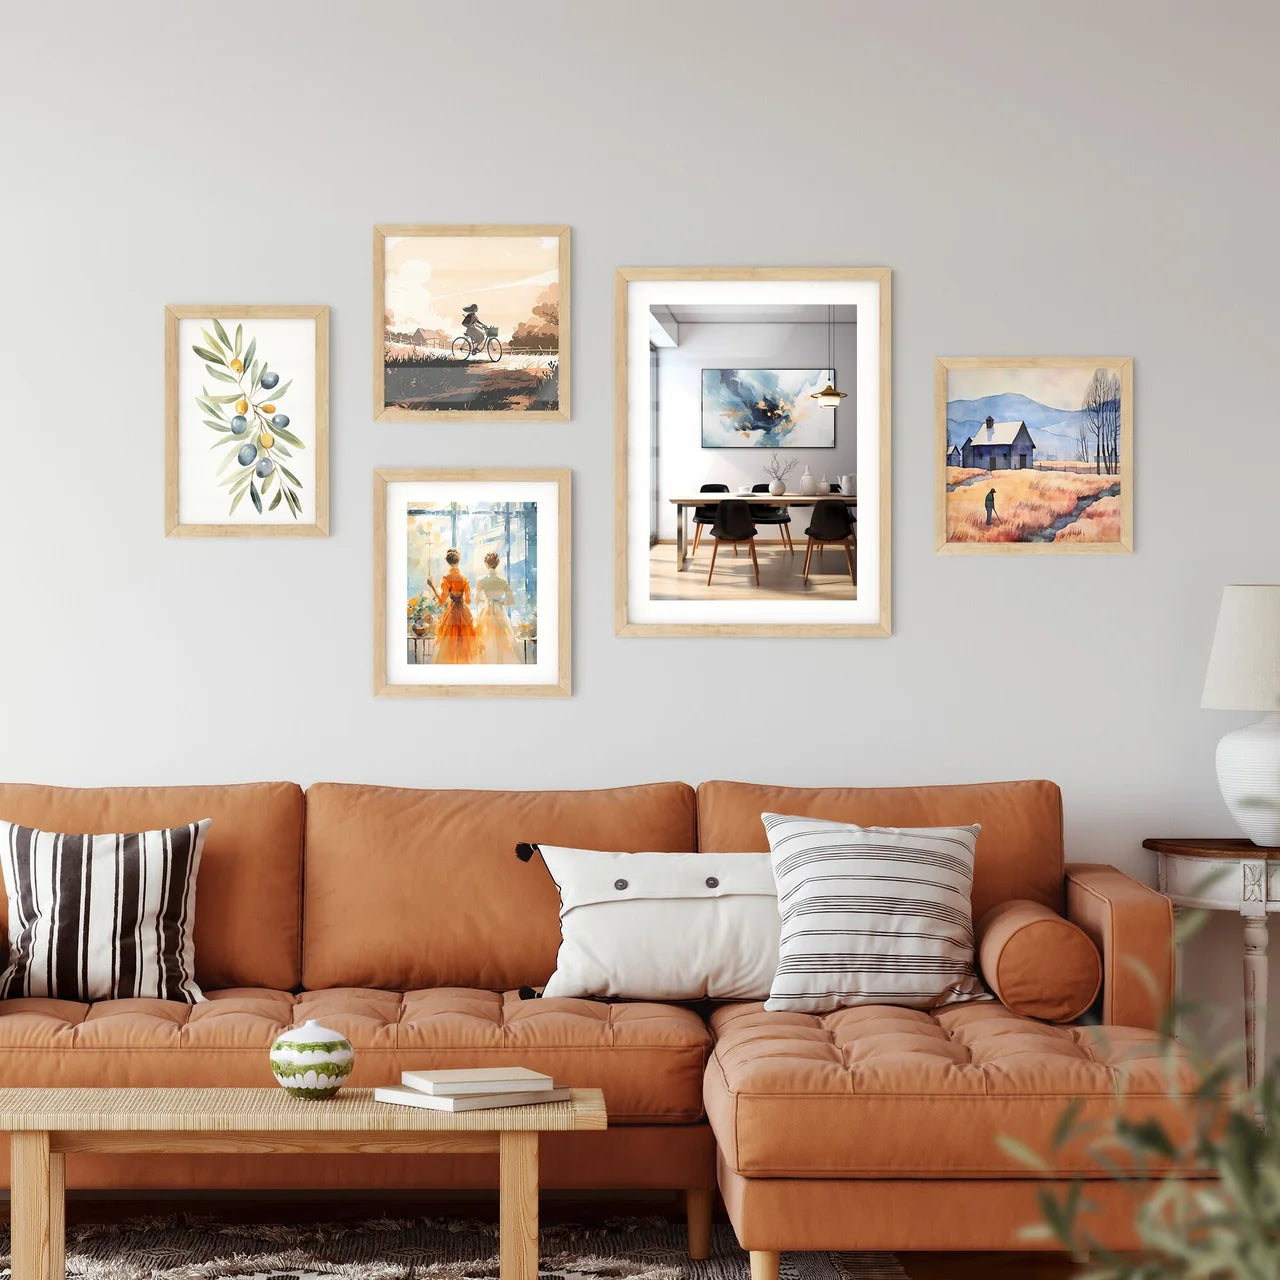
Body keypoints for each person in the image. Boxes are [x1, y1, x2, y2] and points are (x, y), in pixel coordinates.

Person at [426, 549, 477, 664]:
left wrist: (432, 587)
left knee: (449, 645)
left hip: (452, 613)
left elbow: (441, 602)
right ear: (458, 561)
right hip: (464, 612)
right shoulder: (464, 578)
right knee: (463, 645)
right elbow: (468, 601)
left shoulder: (446, 578)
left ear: (448, 562)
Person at [473, 552, 521, 664]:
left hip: (487, 610)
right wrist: (500, 602)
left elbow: (476, 599)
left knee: (485, 637)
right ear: (497, 564)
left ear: (486, 564)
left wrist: (486, 601)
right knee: (502, 638)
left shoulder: (481, 580)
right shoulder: (502, 580)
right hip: (499, 611)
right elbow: (511, 600)